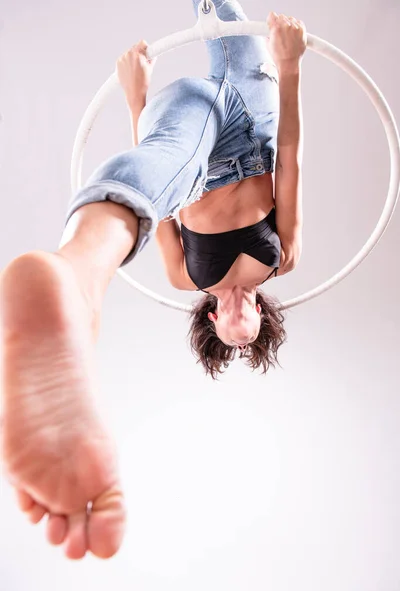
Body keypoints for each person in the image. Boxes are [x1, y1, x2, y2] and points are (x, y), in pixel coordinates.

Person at [0, 1, 306, 559]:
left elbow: (164, 207)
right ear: (262, 314)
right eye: (251, 324)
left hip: (197, 152)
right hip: (257, 121)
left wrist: (135, 97)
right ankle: (73, 281)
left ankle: (79, 275)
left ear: (215, 319)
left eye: (230, 328)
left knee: (165, 162)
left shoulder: (186, 274)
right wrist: (290, 71)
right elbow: (288, 164)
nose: (241, 318)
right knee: (218, 4)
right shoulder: (283, 257)